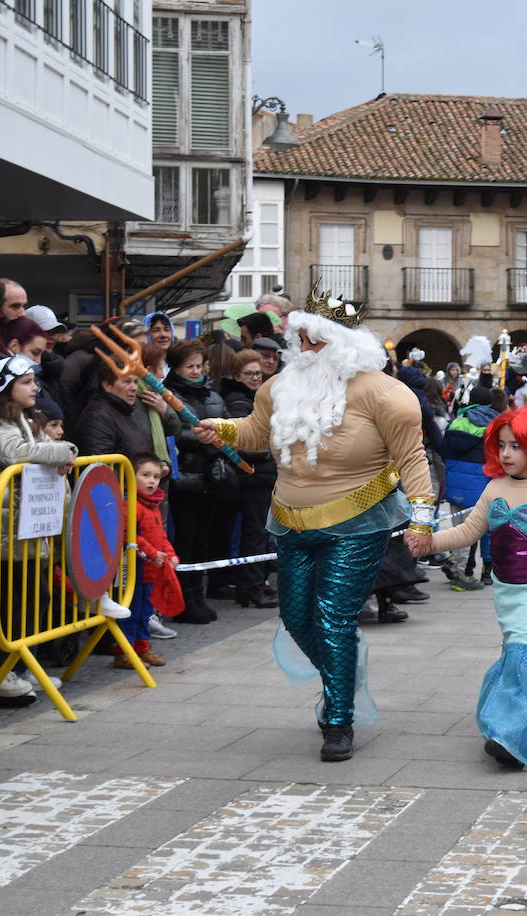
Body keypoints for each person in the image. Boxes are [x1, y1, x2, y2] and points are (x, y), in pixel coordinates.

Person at [193, 292, 435, 763]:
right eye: (298, 338)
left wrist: (422, 522)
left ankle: (338, 719)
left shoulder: (387, 394)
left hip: (357, 521)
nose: (302, 348)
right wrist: (221, 429)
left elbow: (411, 459)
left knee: (333, 617)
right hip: (289, 521)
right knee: (297, 617)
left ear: (341, 342)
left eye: (314, 340)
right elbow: (258, 434)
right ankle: (339, 678)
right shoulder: (279, 387)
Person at [408, 409, 527, 769]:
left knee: (521, 654)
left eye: (516, 446)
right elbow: (467, 532)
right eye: (501, 445)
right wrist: (429, 543)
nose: (506, 454)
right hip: (506, 592)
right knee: (516, 656)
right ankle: (519, 721)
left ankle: (513, 736)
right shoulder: (495, 487)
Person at [0, 355, 78, 699]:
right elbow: (18, 454)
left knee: (34, 600)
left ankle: (21, 667)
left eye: (34, 381)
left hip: (23, 529)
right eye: (26, 382)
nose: (35, 387)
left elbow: (43, 449)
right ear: (4, 387)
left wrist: (60, 453)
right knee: (11, 606)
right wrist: (64, 451)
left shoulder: (23, 418)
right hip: (1, 534)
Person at [164, 338, 232, 623]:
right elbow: (175, 433)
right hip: (187, 476)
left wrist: (223, 436)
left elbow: (227, 424)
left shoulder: (212, 395)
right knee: (186, 539)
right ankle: (183, 599)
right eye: (188, 366)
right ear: (176, 368)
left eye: (198, 366)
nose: (195, 371)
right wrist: (207, 440)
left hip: (212, 476)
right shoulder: (170, 395)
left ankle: (197, 595)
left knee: (204, 540)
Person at [219, 349, 278, 608]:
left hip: (262, 475)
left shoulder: (256, 398)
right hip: (252, 475)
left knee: (260, 533)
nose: (255, 378)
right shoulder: (238, 402)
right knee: (254, 534)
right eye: (249, 374)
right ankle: (251, 589)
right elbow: (238, 440)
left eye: (258, 373)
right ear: (237, 375)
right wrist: (269, 451)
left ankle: (254, 586)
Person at [119, 455, 181, 669]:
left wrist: (170, 554)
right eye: (145, 475)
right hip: (135, 570)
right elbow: (130, 535)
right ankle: (124, 652)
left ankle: (142, 648)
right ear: (131, 476)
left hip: (151, 571)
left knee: (146, 612)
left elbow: (160, 536)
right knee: (130, 612)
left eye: (155, 476)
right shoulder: (130, 505)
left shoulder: (152, 506)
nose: (151, 481)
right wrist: (153, 553)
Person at [439, 385, 499, 591]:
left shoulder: (456, 422)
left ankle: (455, 564)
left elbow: (444, 449)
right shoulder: (491, 425)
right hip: (478, 485)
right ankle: (461, 574)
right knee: (470, 532)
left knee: (457, 528)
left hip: (455, 483)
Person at [72, 361, 151, 458]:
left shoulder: (125, 411)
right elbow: (101, 465)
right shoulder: (97, 416)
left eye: (135, 382)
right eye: (127, 381)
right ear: (107, 385)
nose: (134, 388)